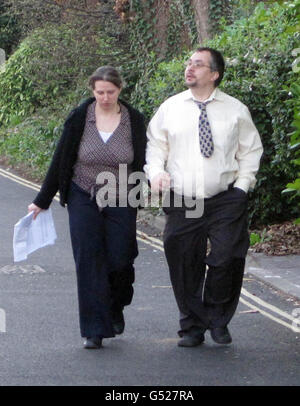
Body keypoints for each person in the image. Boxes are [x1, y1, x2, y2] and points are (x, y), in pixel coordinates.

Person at [144, 47, 263, 347]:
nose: (190, 68)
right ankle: (192, 325)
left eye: (198, 65)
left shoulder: (236, 110)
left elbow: (250, 150)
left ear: (214, 74)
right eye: (189, 63)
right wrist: (156, 172)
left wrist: (242, 186)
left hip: (225, 198)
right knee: (184, 263)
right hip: (184, 198)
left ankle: (217, 318)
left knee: (228, 259)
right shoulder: (170, 108)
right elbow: (156, 147)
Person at [28, 66, 147, 349]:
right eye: (99, 92)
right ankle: (94, 329)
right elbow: (61, 158)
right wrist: (42, 199)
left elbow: (143, 161)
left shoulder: (134, 120)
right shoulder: (81, 117)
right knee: (89, 260)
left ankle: (115, 306)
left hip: (121, 196)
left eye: (111, 92)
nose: (105, 97)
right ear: (92, 91)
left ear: (120, 89)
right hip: (83, 193)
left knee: (120, 259)